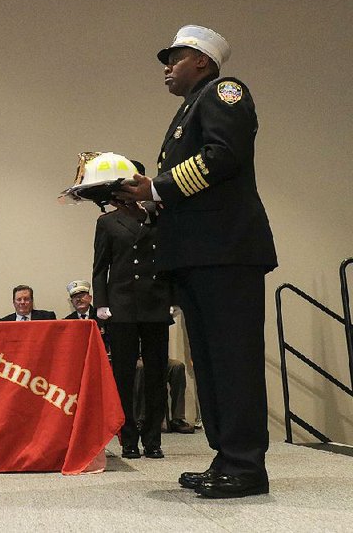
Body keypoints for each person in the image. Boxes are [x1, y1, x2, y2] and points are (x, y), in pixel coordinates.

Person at [115, 25, 277, 498]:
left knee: (233, 360)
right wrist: (147, 201)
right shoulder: (190, 109)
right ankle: (228, 456)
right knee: (209, 362)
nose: (167, 66)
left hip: (227, 252)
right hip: (200, 254)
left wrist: (157, 187)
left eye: (176, 57)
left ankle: (246, 465)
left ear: (203, 61)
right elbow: (190, 187)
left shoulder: (224, 92)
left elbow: (223, 157)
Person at [92, 197, 172, 460]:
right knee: (123, 376)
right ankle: (128, 438)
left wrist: (174, 299)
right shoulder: (107, 222)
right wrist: (101, 302)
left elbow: (172, 261)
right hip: (122, 306)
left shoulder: (160, 217)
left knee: (156, 375)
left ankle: (152, 439)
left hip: (156, 304)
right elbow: (101, 267)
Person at [133, 356, 195, 434]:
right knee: (141, 367)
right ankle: (140, 419)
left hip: (156, 356)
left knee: (177, 366)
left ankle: (177, 418)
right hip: (136, 358)